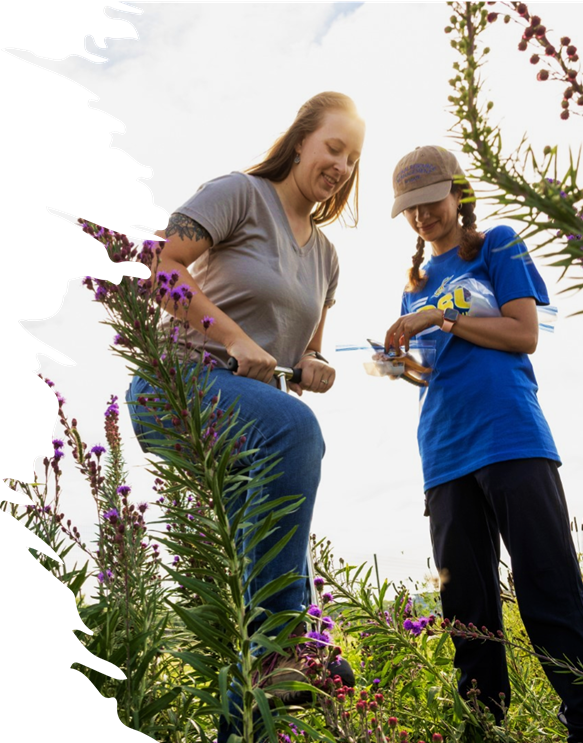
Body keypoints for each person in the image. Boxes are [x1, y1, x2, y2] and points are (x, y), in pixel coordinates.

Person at [125, 92, 365, 736]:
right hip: (178, 385)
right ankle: (286, 646)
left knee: (239, 583)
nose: (341, 166)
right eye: (333, 148)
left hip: (248, 423)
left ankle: (251, 714)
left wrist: (316, 365)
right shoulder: (239, 193)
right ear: (301, 140)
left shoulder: (327, 258)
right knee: (295, 428)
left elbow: (304, 354)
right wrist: (232, 337)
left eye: (353, 159)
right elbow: (161, 266)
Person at [383, 145, 583, 743]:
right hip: (443, 450)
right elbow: (431, 370)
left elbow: (523, 334)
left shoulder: (497, 244)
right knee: (466, 609)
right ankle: (484, 727)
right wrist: (397, 363)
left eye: (429, 202)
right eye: (409, 209)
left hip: (509, 435)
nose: (421, 217)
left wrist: (441, 317)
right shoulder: (413, 282)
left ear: (458, 193)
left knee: (546, 582)